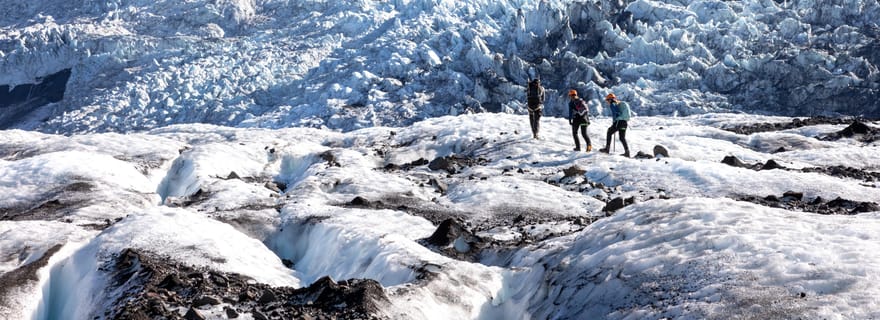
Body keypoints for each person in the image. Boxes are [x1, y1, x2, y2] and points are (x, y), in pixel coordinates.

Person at [598, 93, 631, 157]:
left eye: (607, 100)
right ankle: (627, 152)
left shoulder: (613, 104)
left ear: (610, 99)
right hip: (624, 123)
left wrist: (615, 121)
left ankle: (607, 149)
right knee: (622, 138)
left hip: (619, 122)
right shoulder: (618, 103)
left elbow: (615, 112)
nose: (607, 102)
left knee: (609, 132)